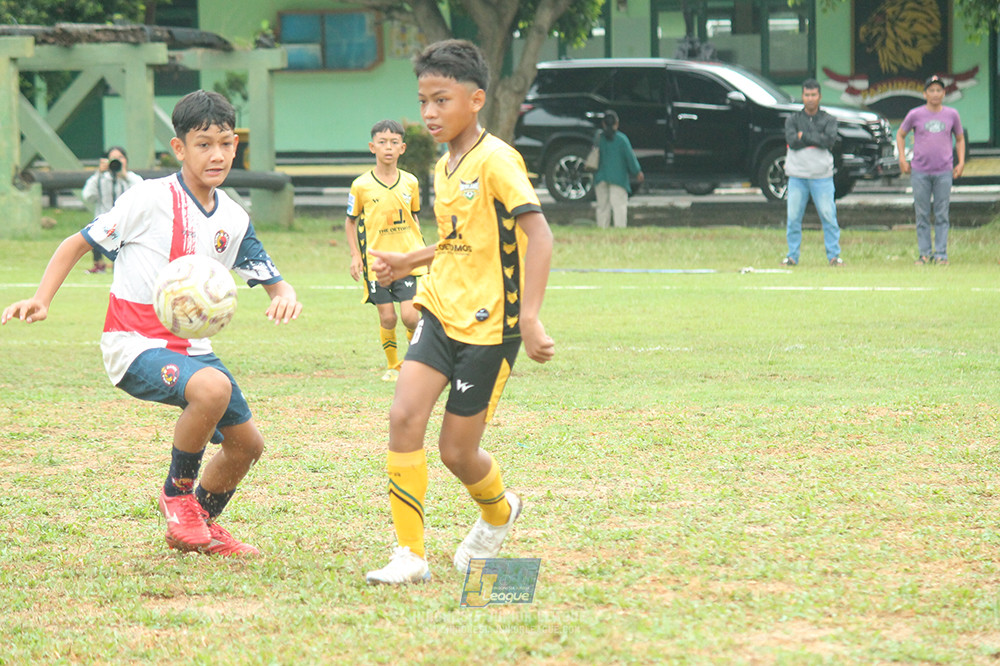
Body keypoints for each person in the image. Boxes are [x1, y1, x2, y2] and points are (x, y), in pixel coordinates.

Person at [1, 90, 302, 557]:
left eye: (225, 142)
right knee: (212, 389)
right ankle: (177, 497)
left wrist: (284, 295)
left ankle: (199, 522)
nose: (217, 154)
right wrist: (42, 300)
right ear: (179, 148)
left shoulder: (234, 217)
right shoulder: (147, 198)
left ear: (236, 144)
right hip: (133, 343)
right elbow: (76, 243)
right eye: (203, 144)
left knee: (246, 446)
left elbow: (268, 274)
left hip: (194, 350)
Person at [363, 39, 555, 585]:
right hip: (440, 313)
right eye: (423, 101)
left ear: (475, 99)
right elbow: (457, 241)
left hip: (492, 328)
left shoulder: (498, 161)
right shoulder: (445, 167)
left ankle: (499, 511)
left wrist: (533, 316)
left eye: (441, 100)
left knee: (456, 451)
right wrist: (407, 262)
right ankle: (410, 555)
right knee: (403, 417)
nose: (428, 113)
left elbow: (538, 236)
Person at [345, 119, 426, 382]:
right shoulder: (361, 186)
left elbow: (414, 217)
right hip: (376, 263)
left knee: (411, 317)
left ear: (402, 148)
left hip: (407, 260)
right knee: (388, 317)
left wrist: (422, 252)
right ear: (372, 147)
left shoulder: (411, 182)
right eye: (382, 142)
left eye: (393, 143)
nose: (388, 148)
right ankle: (393, 365)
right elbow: (351, 221)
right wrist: (356, 256)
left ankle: (413, 364)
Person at [896, 75, 965, 266]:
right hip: (920, 171)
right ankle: (924, 254)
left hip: (944, 171)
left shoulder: (952, 115)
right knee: (922, 213)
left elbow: (959, 138)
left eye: (939, 90)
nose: (935, 94)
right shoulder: (915, 114)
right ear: (925, 93)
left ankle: (941, 253)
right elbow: (901, 135)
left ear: (944, 93)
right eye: (931, 90)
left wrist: (960, 162)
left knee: (942, 213)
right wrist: (902, 158)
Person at [781, 79, 843, 267]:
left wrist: (805, 136)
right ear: (802, 96)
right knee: (793, 218)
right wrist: (816, 138)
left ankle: (834, 256)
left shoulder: (829, 119)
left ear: (820, 96)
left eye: (813, 95)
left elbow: (829, 140)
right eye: (807, 95)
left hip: (821, 176)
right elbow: (792, 141)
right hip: (797, 175)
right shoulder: (792, 120)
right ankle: (792, 256)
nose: (810, 99)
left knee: (828, 216)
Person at [81, 146, 143, 274]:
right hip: (104, 221)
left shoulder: (131, 178)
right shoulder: (101, 178)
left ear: (126, 160)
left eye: (120, 157)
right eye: (113, 158)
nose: (117, 161)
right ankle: (99, 264)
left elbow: (142, 192)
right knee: (95, 230)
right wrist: (99, 173)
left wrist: (124, 175)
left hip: (125, 223)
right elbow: (88, 195)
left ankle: (120, 265)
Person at [593, 110, 643, 229]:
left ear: (603, 124)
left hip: (600, 178)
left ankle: (602, 230)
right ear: (617, 123)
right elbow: (630, 158)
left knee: (602, 207)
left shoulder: (598, 138)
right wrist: (637, 172)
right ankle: (619, 231)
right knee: (619, 207)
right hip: (618, 178)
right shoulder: (622, 139)